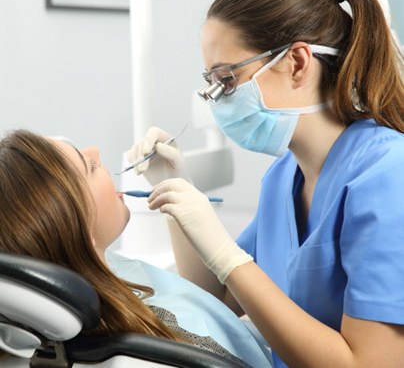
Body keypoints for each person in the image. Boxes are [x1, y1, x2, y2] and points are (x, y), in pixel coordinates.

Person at [127, 0, 404, 368]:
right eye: (211, 82)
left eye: (227, 79)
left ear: (296, 62)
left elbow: (367, 364)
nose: (215, 100)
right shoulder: (282, 178)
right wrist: (175, 189)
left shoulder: (388, 175)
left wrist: (226, 253)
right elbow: (216, 296)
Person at [0, 129, 273, 368]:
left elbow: (201, 304)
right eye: (91, 166)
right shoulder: (169, 343)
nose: (95, 150)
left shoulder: (96, 279)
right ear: (78, 227)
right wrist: (225, 256)